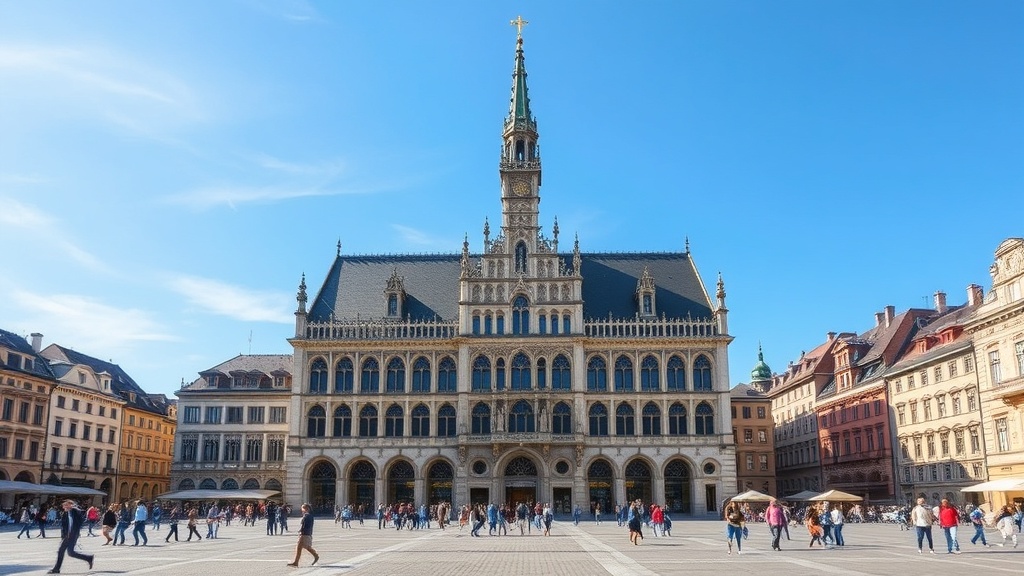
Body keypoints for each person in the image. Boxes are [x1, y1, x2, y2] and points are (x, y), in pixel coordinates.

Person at [48, 499, 94, 574]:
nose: (64, 507)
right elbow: (63, 526)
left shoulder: (75, 512)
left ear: (70, 505)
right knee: (62, 551)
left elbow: (80, 521)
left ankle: (89, 558)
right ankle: (56, 569)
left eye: (66, 505)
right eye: (63, 505)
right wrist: (63, 536)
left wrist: (75, 531)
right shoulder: (65, 514)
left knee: (70, 553)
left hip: (73, 535)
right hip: (67, 536)